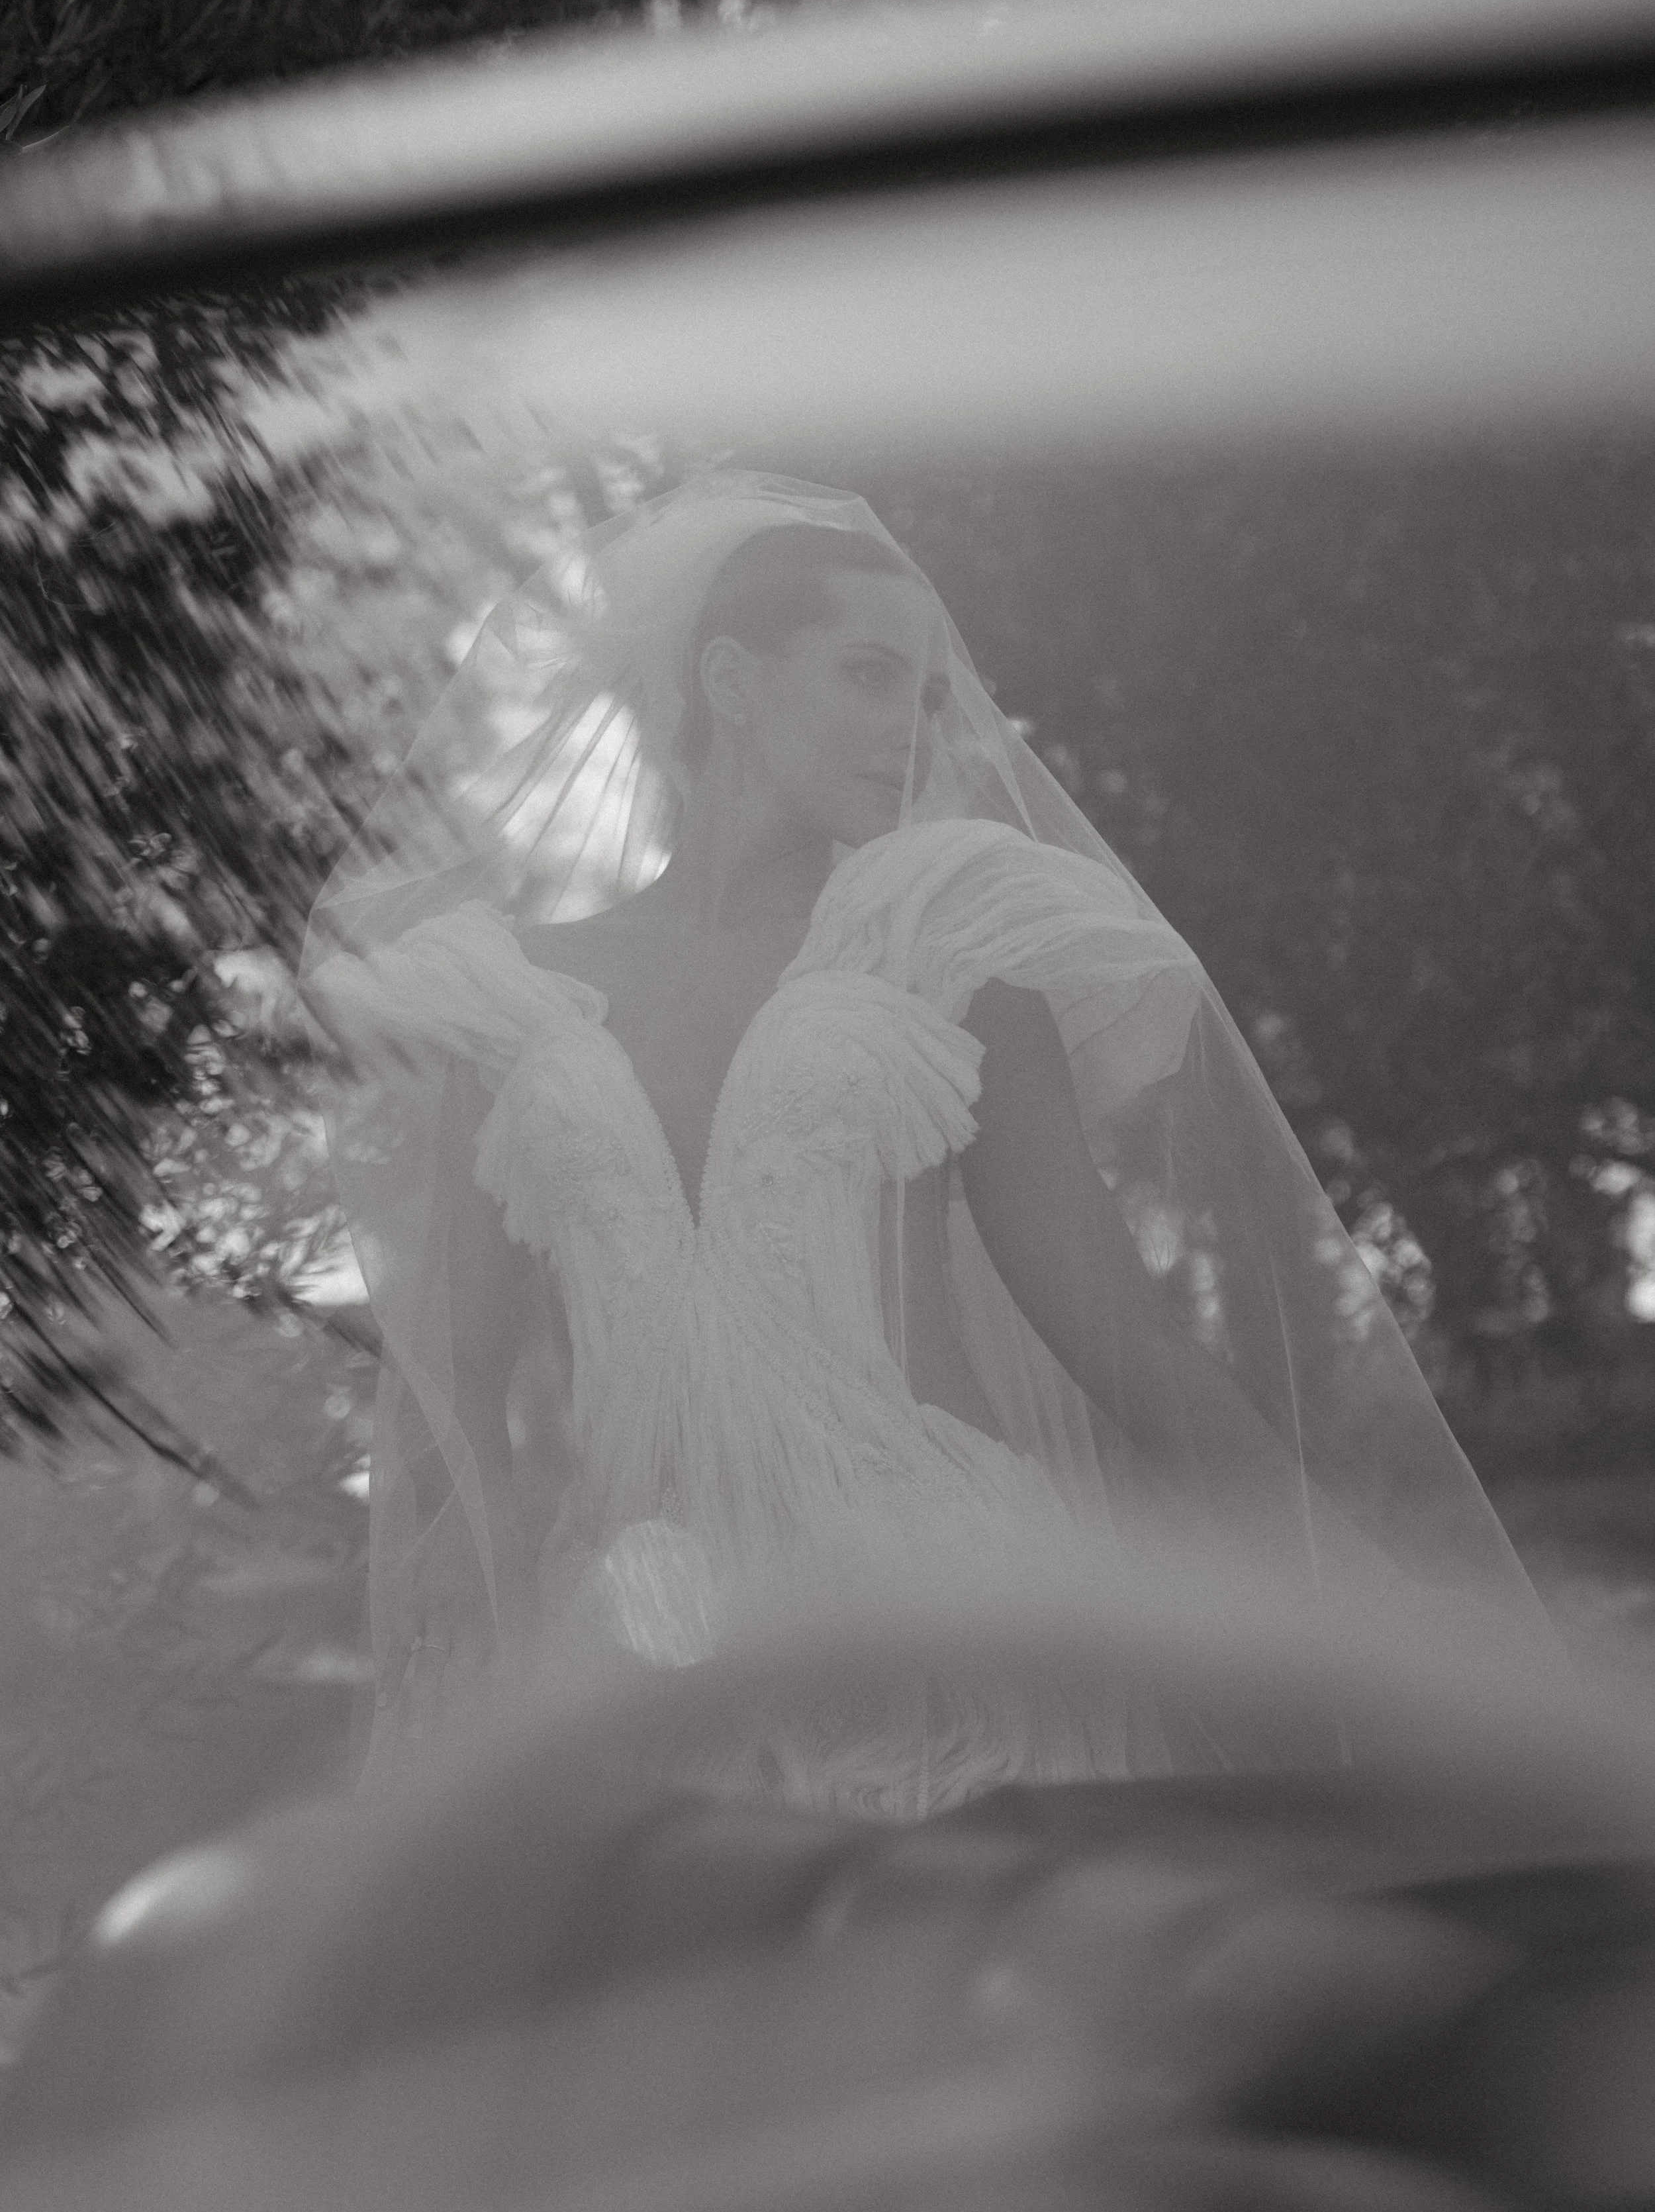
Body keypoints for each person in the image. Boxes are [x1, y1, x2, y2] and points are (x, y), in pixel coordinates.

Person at [302, 472, 1544, 1807]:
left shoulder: (948, 947)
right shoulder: (505, 997)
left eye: (928, 693)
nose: (910, 727)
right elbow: (456, 1385)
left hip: (948, 1625)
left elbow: (1128, 1344)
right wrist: (461, 1589)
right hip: (652, 1645)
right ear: (731, 680)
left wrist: (1375, 1615)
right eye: (869, 674)